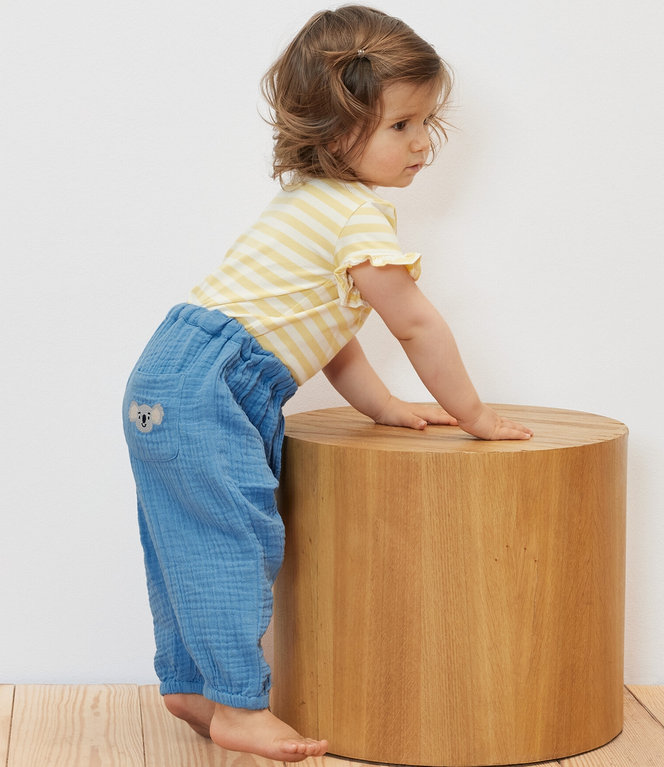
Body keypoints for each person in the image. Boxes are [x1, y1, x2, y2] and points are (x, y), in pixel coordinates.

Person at [123, 4, 533, 760]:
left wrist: (385, 406)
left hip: (170, 373)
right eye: (401, 125)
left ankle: (190, 685)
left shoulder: (305, 204)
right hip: (214, 384)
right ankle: (240, 706)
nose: (422, 143)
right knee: (236, 538)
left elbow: (331, 339)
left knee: (186, 536)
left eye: (427, 123)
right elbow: (415, 324)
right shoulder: (356, 217)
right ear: (334, 129)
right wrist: (474, 414)